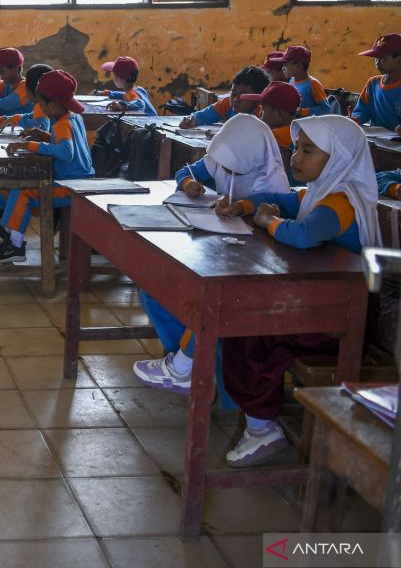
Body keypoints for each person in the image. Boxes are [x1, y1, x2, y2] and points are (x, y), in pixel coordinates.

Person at [217, 116, 380, 467]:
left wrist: (267, 222)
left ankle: (262, 428)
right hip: (327, 308)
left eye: (308, 151)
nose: (295, 157)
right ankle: (257, 418)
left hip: (343, 324)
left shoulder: (342, 201)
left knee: (249, 329)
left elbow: (304, 233)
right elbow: (285, 200)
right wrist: (245, 206)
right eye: (296, 148)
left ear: (338, 159)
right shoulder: (322, 191)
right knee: (246, 323)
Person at [133, 115, 292, 394]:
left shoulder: (274, 184)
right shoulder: (222, 157)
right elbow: (187, 172)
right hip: (217, 250)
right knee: (155, 288)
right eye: (224, 170)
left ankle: (187, 367)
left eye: (236, 174)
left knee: (206, 305)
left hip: (251, 269)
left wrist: (245, 209)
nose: (228, 175)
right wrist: (189, 185)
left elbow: (274, 241)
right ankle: (186, 364)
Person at [0, 70, 94, 263]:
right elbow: (67, 145)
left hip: (72, 187)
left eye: (41, 104)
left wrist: (29, 145)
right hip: (78, 181)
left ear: (53, 105)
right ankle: (8, 233)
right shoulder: (73, 118)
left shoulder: (61, 124)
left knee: (23, 192)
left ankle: (14, 246)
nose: (40, 108)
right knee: (18, 190)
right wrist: (46, 137)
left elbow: (66, 152)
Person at [180, 66, 270, 129]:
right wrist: (191, 120)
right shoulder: (227, 104)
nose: (235, 100)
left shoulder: (262, 114)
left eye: (243, 96)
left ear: (257, 99)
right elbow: (204, 115)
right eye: (233, 93)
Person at [0, 63, 54, 133]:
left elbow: (41, 126)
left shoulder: (45, 107)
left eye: (2, 71)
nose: (0, 75)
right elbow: (27, 116)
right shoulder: (39, 105)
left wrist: (18, 120)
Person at [352, 33, 401, 134]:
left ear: (399, 59)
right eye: (376, 58)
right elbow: (363, 110)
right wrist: (356, 119)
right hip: (377, 142)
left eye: (383, 58)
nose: (377, 63)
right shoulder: (372, 83)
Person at [282, 45, 335, 116]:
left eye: (286, 65)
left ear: (299, 66)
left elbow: (325, 109)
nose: (283, 68)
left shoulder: (313, 84)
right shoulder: (291, 81)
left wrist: (303, 112)